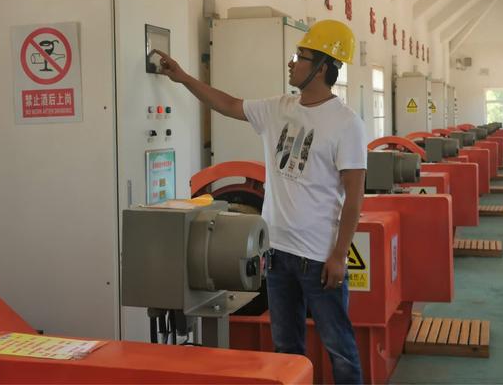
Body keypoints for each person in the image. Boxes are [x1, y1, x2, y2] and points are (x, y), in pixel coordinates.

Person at [153, 19, 366, 384]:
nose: (291, 63)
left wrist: (338, 255)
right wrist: (183, 78)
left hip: (318, 259)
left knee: (340, 350)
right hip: (278, 253)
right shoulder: (277, 108)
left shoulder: (347, 124)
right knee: (286, 349)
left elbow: (354, 197)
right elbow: (228, 104)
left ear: (322, 68)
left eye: (300, 57)